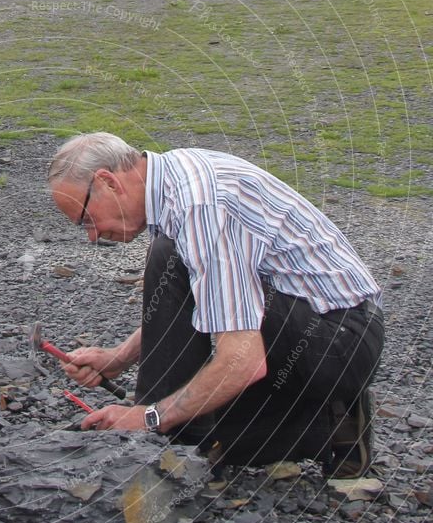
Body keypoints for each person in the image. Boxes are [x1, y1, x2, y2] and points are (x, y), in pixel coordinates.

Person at [48, 132, 384, 477]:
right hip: (305, 324)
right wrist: (119, 357)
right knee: (219, 435)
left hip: (340, 340)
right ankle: (323, 422)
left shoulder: (199, 206)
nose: (92, 236)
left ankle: (169, 442)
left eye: (87, 220)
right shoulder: (171, 180)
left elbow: (244, 362)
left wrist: (149, 417)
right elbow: (203, 295)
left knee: (203, 424)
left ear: (108, 182)